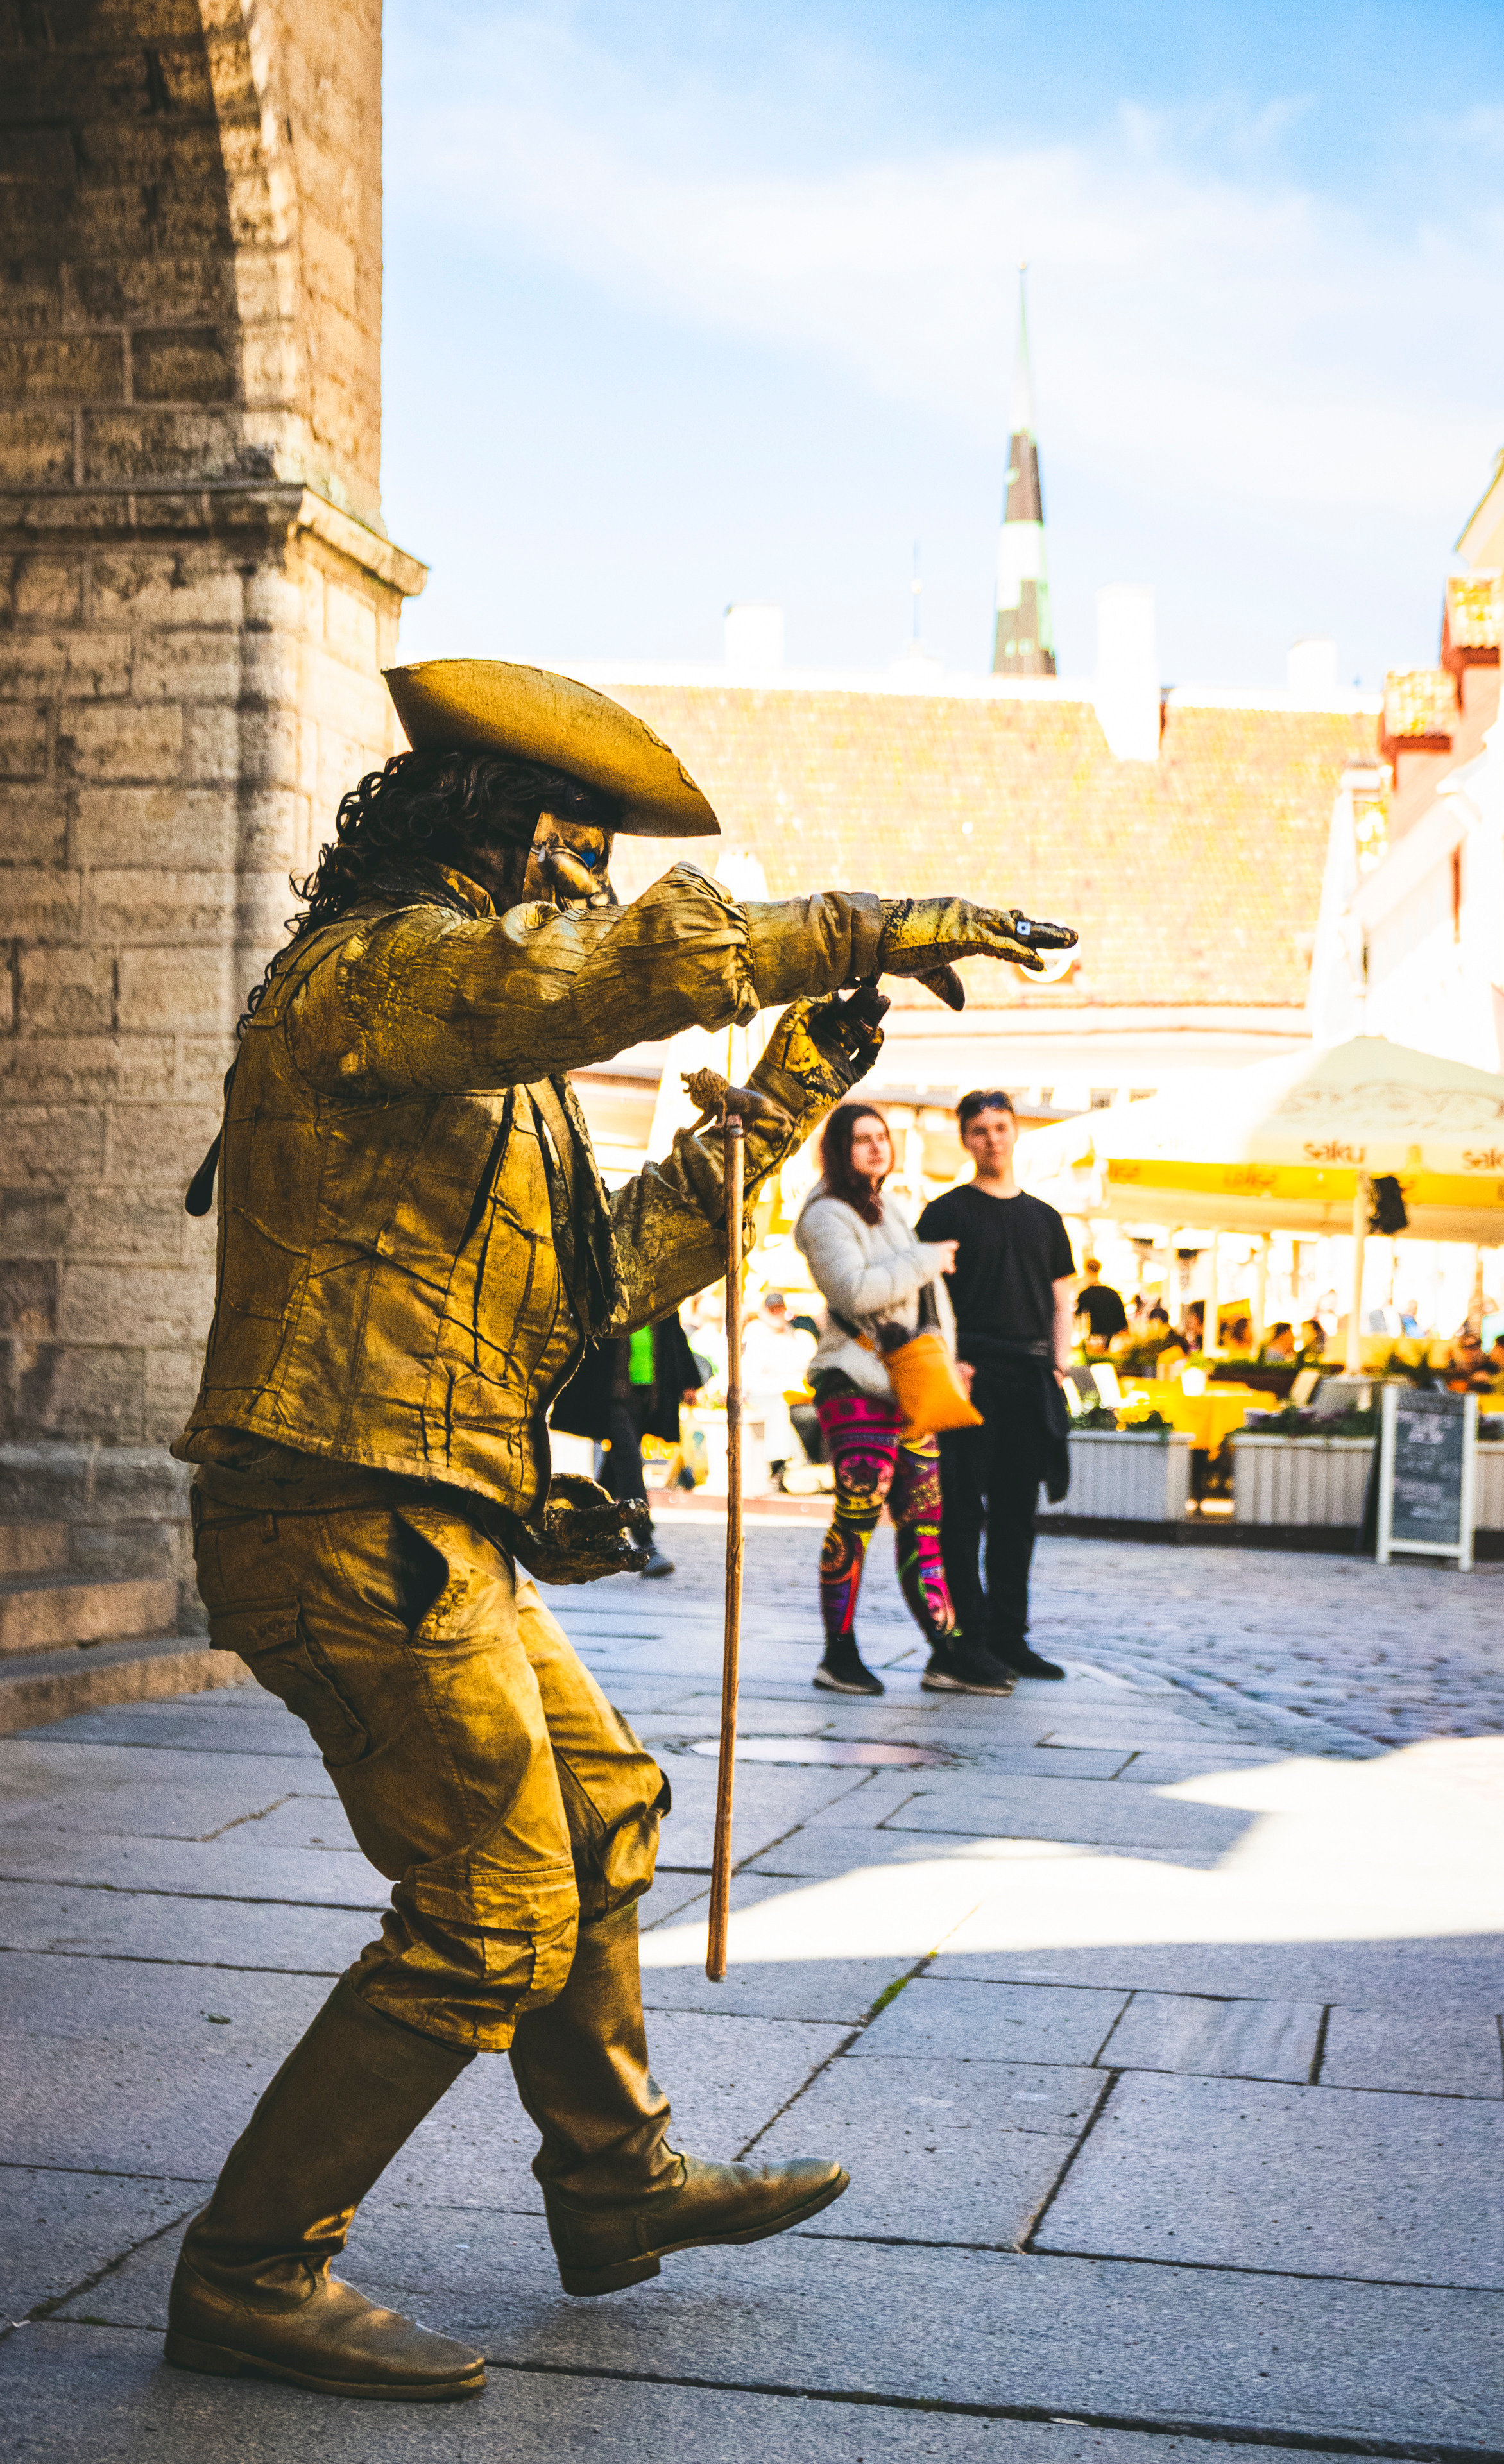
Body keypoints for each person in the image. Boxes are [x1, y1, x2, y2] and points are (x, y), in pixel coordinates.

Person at [165, 652, 1077, 2402]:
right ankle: (252, 2268)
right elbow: (609, 970)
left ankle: (613, 2181)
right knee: (489, 1907)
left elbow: (614, 1270)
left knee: (600, 1808)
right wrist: (847, 924)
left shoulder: (481, 1060)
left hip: (436, 1526)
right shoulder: (380, 976)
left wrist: (796, 1082)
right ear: (501, 840)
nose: (591, 894)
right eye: (577, 858)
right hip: (346, 1522)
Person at [795, 1102, 1013, 1697]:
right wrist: (927, 1258)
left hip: (908, 1388)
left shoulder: (889, 1207)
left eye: (881, 1138)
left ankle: (947, 1652)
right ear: (839, 1151)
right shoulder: (826, 1215)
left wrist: (947, 1361)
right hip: (854, 1380)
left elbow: (927, 1303)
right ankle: (838, 1654)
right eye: (861, 1140)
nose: (875, 1147)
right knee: (858, 1516)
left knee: (925, 1523)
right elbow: (855, 1290)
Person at [916, 1091, 1074, 1682]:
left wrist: (1059, 1364)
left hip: (1031, 1379)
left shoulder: (1046, 1218)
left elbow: (1063, 1299)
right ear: (965, 1138)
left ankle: (1012, 1638)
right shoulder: (944, 1212)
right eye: (980, 1130)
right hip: (969, 1378)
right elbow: (923, 1295)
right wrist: (947, 1362)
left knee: (1017, 1516)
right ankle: (970, 1638)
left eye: (1001, 1128)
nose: (992, 1139)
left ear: (1015, 1133)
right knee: (960, 1515)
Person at [552, 1312, 703, 1576]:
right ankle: (646, 1542)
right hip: (611, 1393)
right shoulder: (612, 1298)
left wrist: (689, 1381)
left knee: (616, 1467)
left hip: (646, 1394)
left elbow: (673, 1336)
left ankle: (578, 1530)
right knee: (630, 1461)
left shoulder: (660, 1299)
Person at [1074, 1257, 1127, 1351]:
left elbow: (1077, 1319)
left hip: (1094, 1343)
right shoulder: (1113, 1294)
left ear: (1087, 1271)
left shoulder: (1085, 1295)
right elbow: (1123, 1322)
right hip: (1113, 1344)